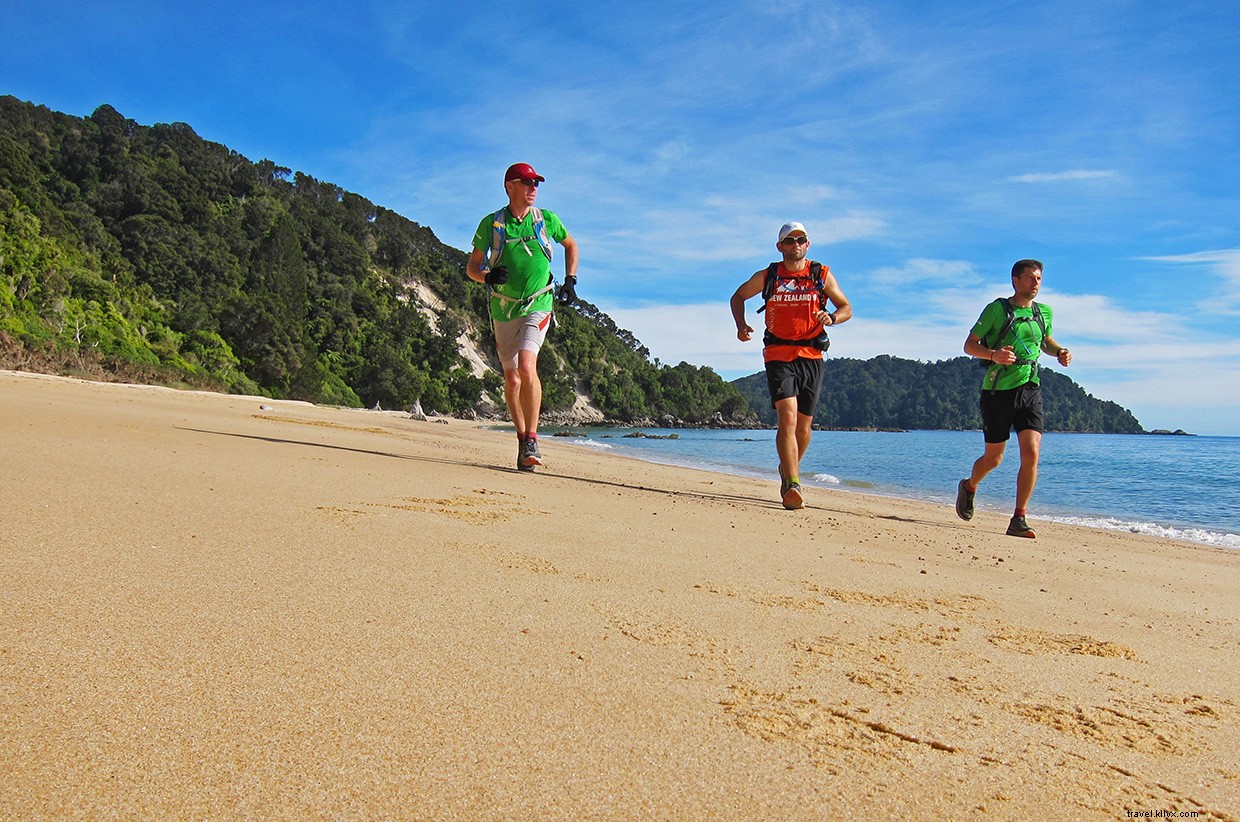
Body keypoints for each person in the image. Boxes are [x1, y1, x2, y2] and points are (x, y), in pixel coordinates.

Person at [730, 222, 852, 509]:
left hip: (812, 355)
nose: (795, 244)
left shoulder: (820, 275)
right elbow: (738, 296)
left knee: (804, 428)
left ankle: (787, 469)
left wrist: (832, 318)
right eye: (789, 240)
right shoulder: (769, 275)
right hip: (778, 353)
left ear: (807, 245)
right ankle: (793, 485)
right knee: (787, 416)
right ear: (780, 246)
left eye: (801, 240)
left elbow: (846, 307)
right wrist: (741, 325)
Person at [466, 162, 579, 472]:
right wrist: (487, 277)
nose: (533, 188)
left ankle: (532, 438)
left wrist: (570, 280)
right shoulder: (492, 224)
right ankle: (522, 441)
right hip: (503, 309)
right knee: (512, 377)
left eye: (536, 183)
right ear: (509, 186)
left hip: (538, 303)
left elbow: (571, 245)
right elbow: (472, 268)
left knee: (528, 365)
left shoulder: (547, 220)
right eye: (526, 182)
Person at [954, 259, 1072, 538]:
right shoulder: (998, 310)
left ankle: (1018, 518)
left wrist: (1060, 352)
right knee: (994, 458)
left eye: (1039, 278)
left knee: (1031, 452)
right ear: (1015, 281)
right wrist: (993, 355)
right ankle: (969, 486)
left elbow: (1046, 342)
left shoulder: (1044, 313)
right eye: (1030, 278)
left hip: (1031, 388)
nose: (1035, 283)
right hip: (997, 391)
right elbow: (970, 345)